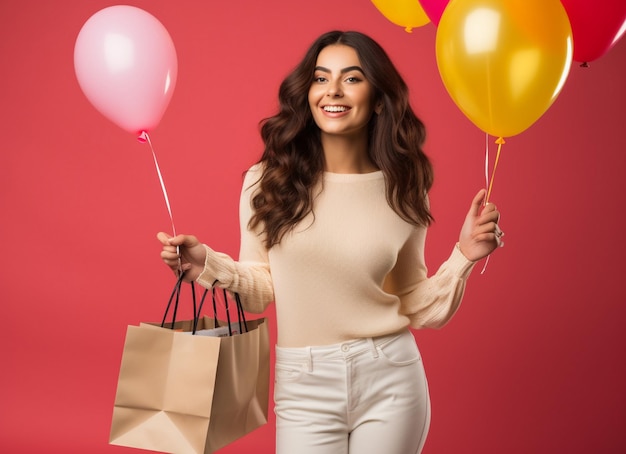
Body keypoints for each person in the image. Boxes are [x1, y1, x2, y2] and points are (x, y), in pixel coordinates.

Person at [158, 30, 503, 454]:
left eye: (352, 78)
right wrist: (207, 265)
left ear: (379, 98)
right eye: (321, 79)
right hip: (304, 383)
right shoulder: (267, 181)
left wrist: (462, 257)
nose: (332, 91)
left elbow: (414, 302)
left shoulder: (405, 186)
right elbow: (262, 288)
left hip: (390, 374)